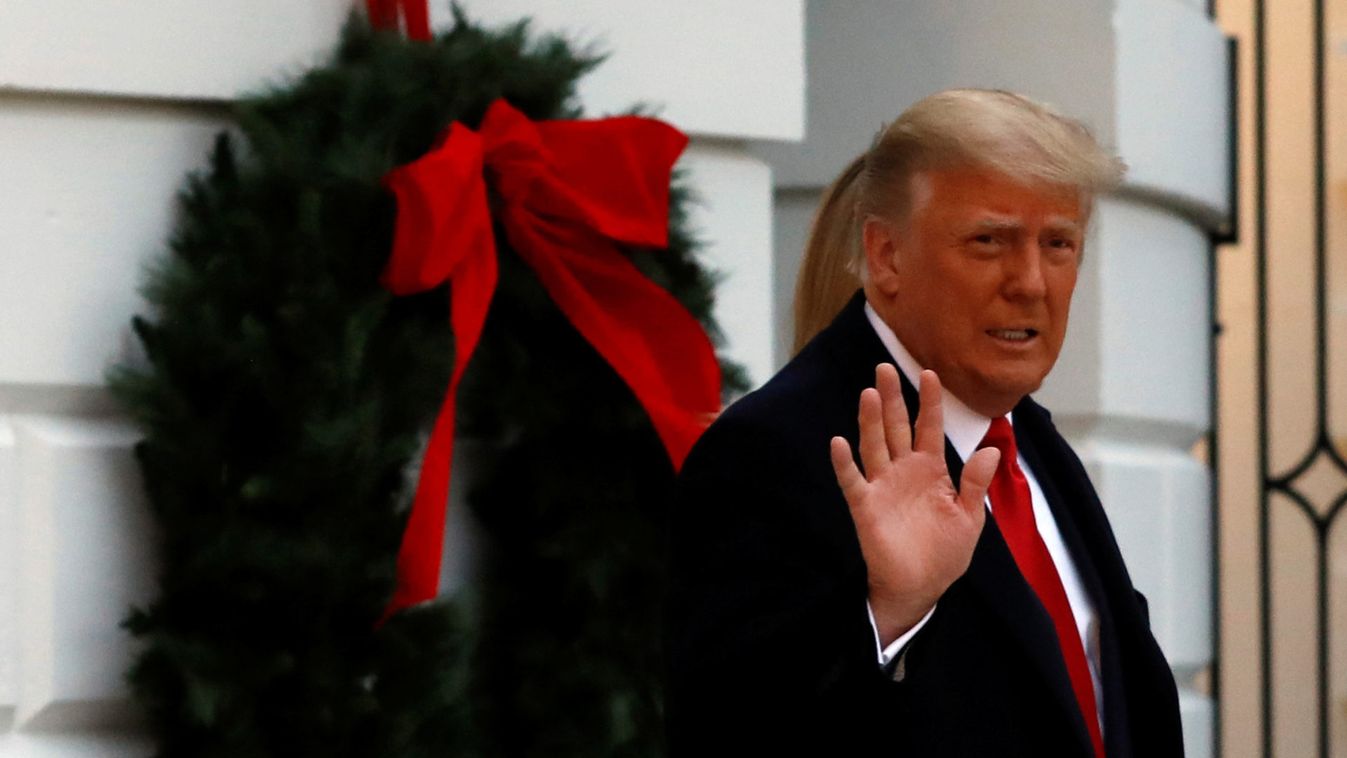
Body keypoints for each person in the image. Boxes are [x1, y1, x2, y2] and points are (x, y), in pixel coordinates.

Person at [666, 89, 1184, 757]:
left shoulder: (1029, 440)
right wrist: (888, 617)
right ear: (886, 257)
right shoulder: (771, 451)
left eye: (1058, 243)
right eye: (987, 240)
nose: (1029, 281)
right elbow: (727, 736)